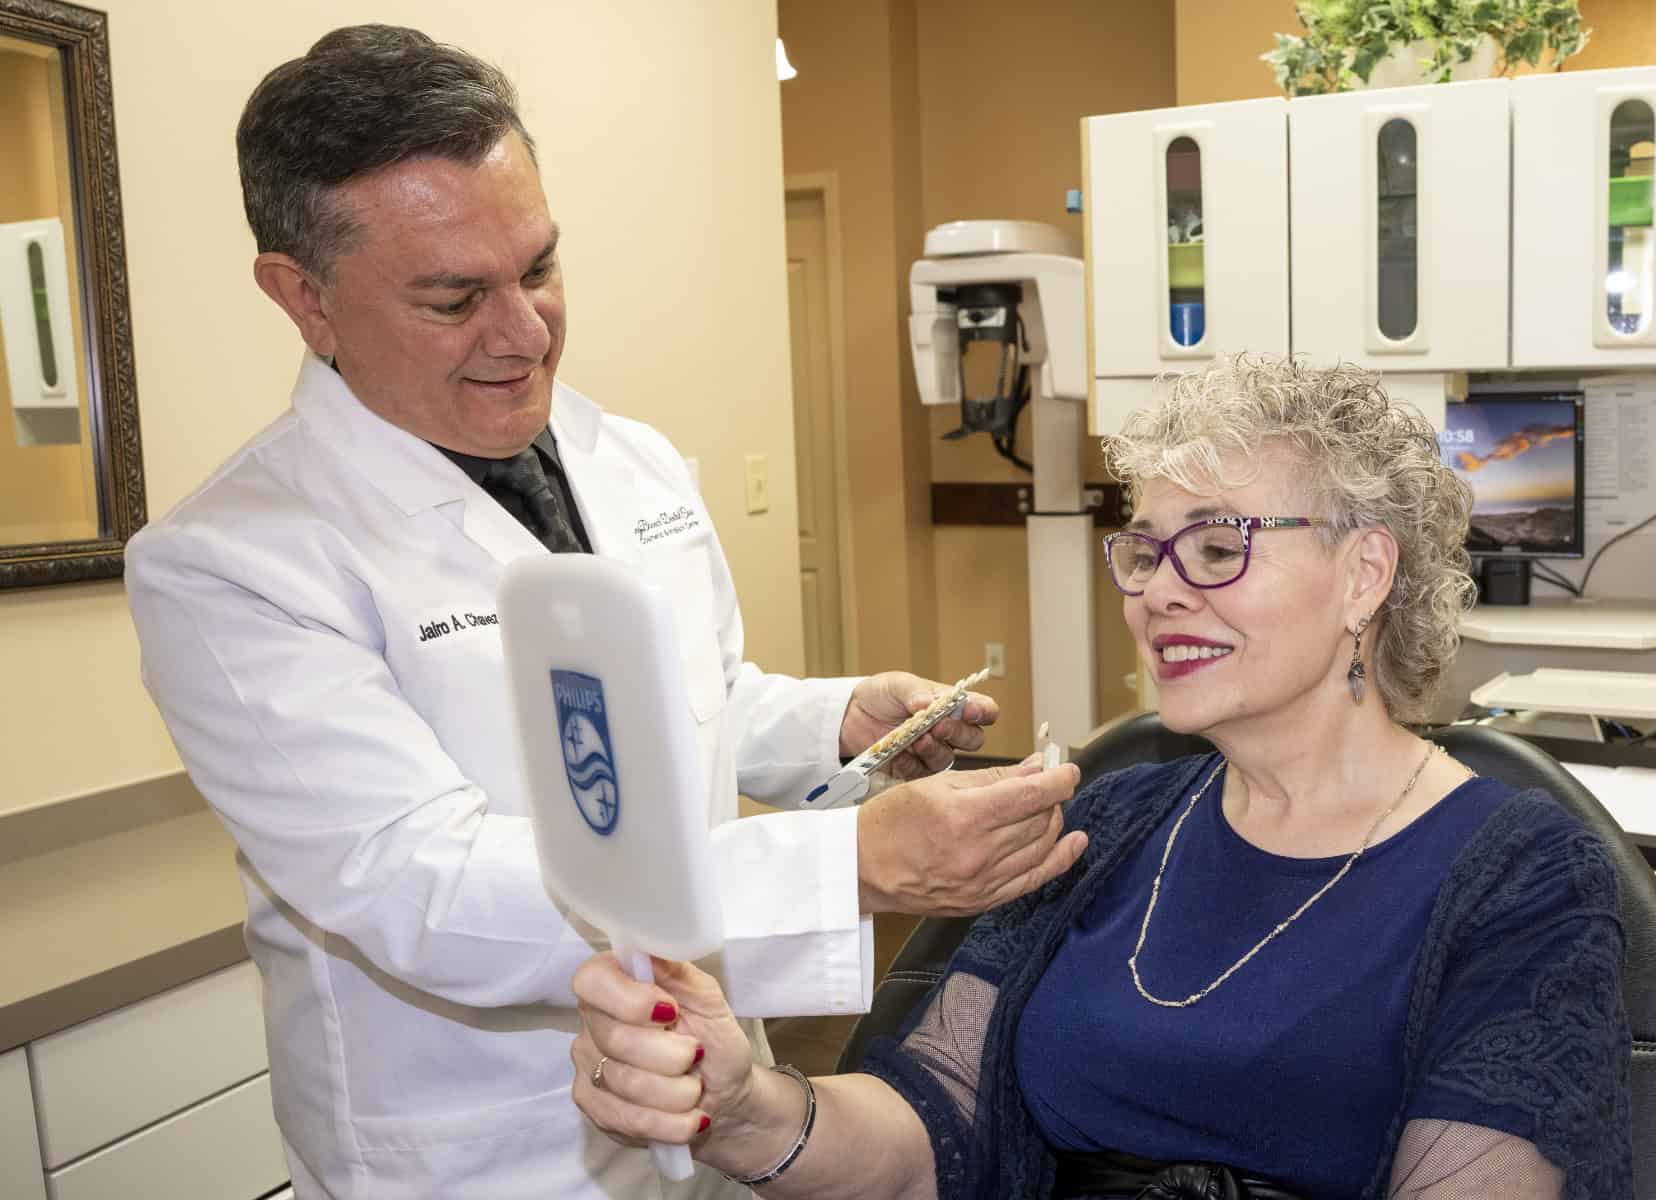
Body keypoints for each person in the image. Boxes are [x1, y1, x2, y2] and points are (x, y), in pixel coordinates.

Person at [123, 25, 1083, 1200]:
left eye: (536, 268)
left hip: (717, 1098)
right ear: (303, 299)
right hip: (488, 1150)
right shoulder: (232, 563)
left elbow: (686, 709)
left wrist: (833, 723)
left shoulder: (624, 459)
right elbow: (422, 885)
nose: (524, 333)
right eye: (454, 297)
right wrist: (847, 867)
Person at [569, 356, 1634, 1199]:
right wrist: (750, 1105)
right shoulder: (1109, 823)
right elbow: (930, 1127)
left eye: (1218, 550)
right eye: (1146, 551)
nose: (1158, 593)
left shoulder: (1521, 879)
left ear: (1364, 574)